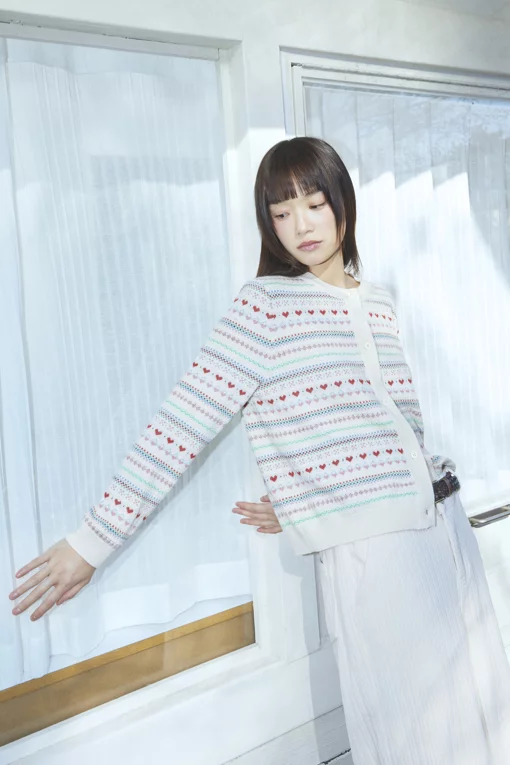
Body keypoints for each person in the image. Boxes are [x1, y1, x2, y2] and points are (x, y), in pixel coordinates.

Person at [8, 137, 510, 764]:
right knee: (419, 735)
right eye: (281, 212)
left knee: (484, 711)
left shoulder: (377, 300)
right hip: (379, 555)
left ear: (343, 204)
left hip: (446, 529)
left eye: (315, 204)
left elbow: (398, 432)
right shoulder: (265, 306)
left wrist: (309, 490)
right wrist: (91, 542)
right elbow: (181, 424)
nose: (301, 225)